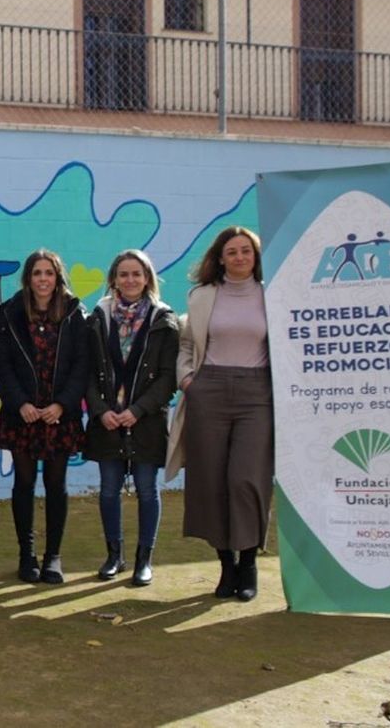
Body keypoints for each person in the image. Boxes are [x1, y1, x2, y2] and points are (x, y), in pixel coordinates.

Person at [167, 226, 271, 602]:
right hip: (208, 390)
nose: (240, 257)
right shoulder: (202, 296)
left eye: (247, 251)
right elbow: (185, 343)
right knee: (209, 480)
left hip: (257, 393)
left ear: (256, 257)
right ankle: (226, 566)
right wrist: (188, 379)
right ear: (220, 257)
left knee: (246, 479)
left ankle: (249, 563)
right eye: (232, 252)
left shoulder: (271, 296)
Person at [0, 249, 88, 585]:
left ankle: (53, 557)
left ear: (57, 277)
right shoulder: (10, 313)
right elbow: (1, 365)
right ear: (28, 278)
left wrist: (62, 404)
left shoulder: (75, 314)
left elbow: (81, 366)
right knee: (24, 483)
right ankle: (26, 555)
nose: (43, 279)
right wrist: (20, 404)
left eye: (49, 273)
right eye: (37, 273)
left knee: (56, 484)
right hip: (24, 416)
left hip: (59, 415)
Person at [84, 249, 178, 587]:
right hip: (107, 421)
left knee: (146, 490)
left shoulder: (164, 320)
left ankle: (143, 561)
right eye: (123, 274)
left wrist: (138, 411)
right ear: (114, 280)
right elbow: (87, 373)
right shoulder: (97, 318)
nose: (130, 280)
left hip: (147, 422)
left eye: (136, 273)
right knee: (109, 491)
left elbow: (169, 377)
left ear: (148, 277)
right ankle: (114, 556)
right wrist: (100, 410)